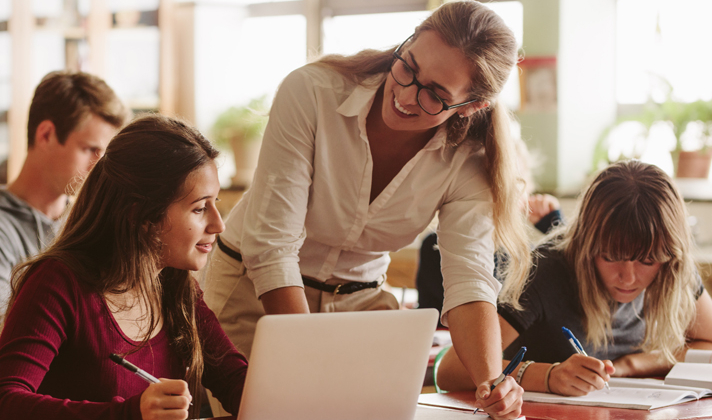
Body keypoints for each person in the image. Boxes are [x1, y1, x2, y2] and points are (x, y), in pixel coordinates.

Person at [203, 1, 528, 418]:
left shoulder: (471, 159)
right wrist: (301, 358)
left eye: (434, 94)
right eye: (409, 68)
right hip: (255, 293)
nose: (407, 96)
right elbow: (271, 247)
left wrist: (491, 383)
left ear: (470, 106)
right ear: (407, 42)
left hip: (357, 308)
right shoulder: (312, 92)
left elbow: (469, 281)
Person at [0, 115, 248, 420]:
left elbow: (237, 383)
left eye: (215, 203)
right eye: (199, 208)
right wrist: (128, 414)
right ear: (141, 215)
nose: (218, 224)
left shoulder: (176, 287)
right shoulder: (57, 283)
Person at [436, 160, 712, 396]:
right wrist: (547, 376)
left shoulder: (671, 265)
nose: (628, 277)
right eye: (611, 256)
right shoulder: (547, 269)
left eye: (647, 261)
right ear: (586, 244)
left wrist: (630, 365)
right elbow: (450, 370)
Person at [0, 71, 129, 356]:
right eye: (89, 149)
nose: (100, 166)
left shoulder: (92, 223)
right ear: (45, 134)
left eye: (104, 154)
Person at [416, 137, 563, 324]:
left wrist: (556, 227)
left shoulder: (529, 257)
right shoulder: (434, 246)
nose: (496, 192)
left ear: (525, 191)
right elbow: (430, 319)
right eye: (486, 180)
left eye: (510, 183)